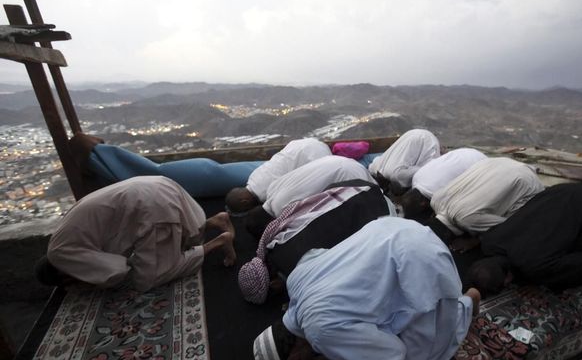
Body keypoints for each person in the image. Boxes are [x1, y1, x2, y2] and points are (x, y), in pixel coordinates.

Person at [252, 218, 481, 360]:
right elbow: (319, 255)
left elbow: (392, 354)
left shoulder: (319, 333)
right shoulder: (295, 280)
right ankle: (463, 303)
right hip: (395, 228)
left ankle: (465, 306)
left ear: (293, 357)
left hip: (421, 262)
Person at [35, 176, 236, 292]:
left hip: (151, 206)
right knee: (178, 237)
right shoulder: (60, 237)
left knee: (148, 279)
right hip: (157, 185)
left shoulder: (60, 255)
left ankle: (217, 243)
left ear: (62, 275)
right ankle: (216, 221)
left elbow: (116, 270)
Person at [238, 180, 395, 304]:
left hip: (381, 211)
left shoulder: (297, 267)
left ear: (273, 285)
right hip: (356, 186)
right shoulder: (272, 241)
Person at [469, 183, 582, 295]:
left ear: (508, 278)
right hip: (564, 192)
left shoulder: (536, 267)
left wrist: (546, 284)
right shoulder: (490, 242)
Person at [245, 155, 376, 237]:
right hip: (335, 160)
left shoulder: (286, 212)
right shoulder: (271, 190)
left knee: (377, 205)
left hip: (349, 174)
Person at [427, 157, 545, 243]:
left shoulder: (467, 221)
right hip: (500, 161)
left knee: (520, 226)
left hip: (529, 182)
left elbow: (509, 226)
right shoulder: (436, 199)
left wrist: (475, 240)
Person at [225, 138, 331, 214]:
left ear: (245, 202)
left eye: (245, 210)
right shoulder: (253, 177)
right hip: (304, 143)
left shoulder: (267, 195)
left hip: (315, 156)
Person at [402, 148, 488, 222]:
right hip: (464, 153)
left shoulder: (439, 196)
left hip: (482, 165)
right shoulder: (416, 178)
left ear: (423, 204)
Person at [368, 129, 440, 194]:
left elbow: (398, 175)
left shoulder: (380, 168)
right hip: (420, 136)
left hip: (420, 137)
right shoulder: (378, 168)